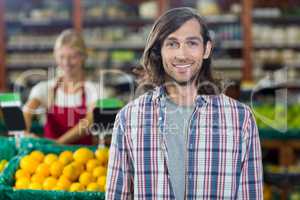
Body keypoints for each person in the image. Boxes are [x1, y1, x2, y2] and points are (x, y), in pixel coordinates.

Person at [106, 7, 263, 199]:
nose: (182, 54)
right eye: (172, 44)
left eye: (192, 43)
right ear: (159, 51)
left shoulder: (241, 119)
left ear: (206, 49)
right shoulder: (128, 118)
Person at [23, 29, 104, 145]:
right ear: (55, 56)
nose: (66, 62)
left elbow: (90, 121)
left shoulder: (95, 90)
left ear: (84, 57)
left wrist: (58, 144)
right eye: (61, 57)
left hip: (83, 159)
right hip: (49, 160)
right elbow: (26, 111)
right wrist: (24, 133)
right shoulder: (45, 88)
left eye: (73, 57)